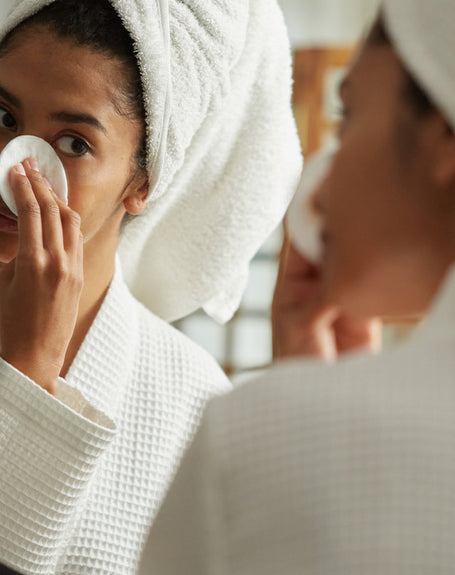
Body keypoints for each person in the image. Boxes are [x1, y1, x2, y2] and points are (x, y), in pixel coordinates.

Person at [0, 1, 301, 573]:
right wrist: (29, 368)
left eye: (72, 145)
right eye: (0, 117)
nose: (11, 171)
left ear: (141, 182)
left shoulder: (197, 401)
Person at [141, 1, 455, 573]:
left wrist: (300, 421)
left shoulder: (253, 441)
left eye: (348, 113)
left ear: (443, 141)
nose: (319, 172)